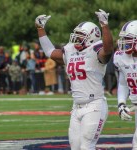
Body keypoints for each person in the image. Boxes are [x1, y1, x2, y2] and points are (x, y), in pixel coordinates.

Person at [35, 9, 113, 150]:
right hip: (76, 107)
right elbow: (49, 52)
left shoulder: (96, 51)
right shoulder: (70, 51)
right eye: (76, 35)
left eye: (81, 36)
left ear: (91, 37)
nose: (76, 38)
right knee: (75, 147)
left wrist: (104, 26)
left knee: (86, 147)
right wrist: (40, 29)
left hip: (94, 105)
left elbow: (108, 50)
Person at [113, 20, 137, 150]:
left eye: (129, 39)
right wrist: (121, 103)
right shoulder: (122, 58)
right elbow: (123, 83)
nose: (125, 42)